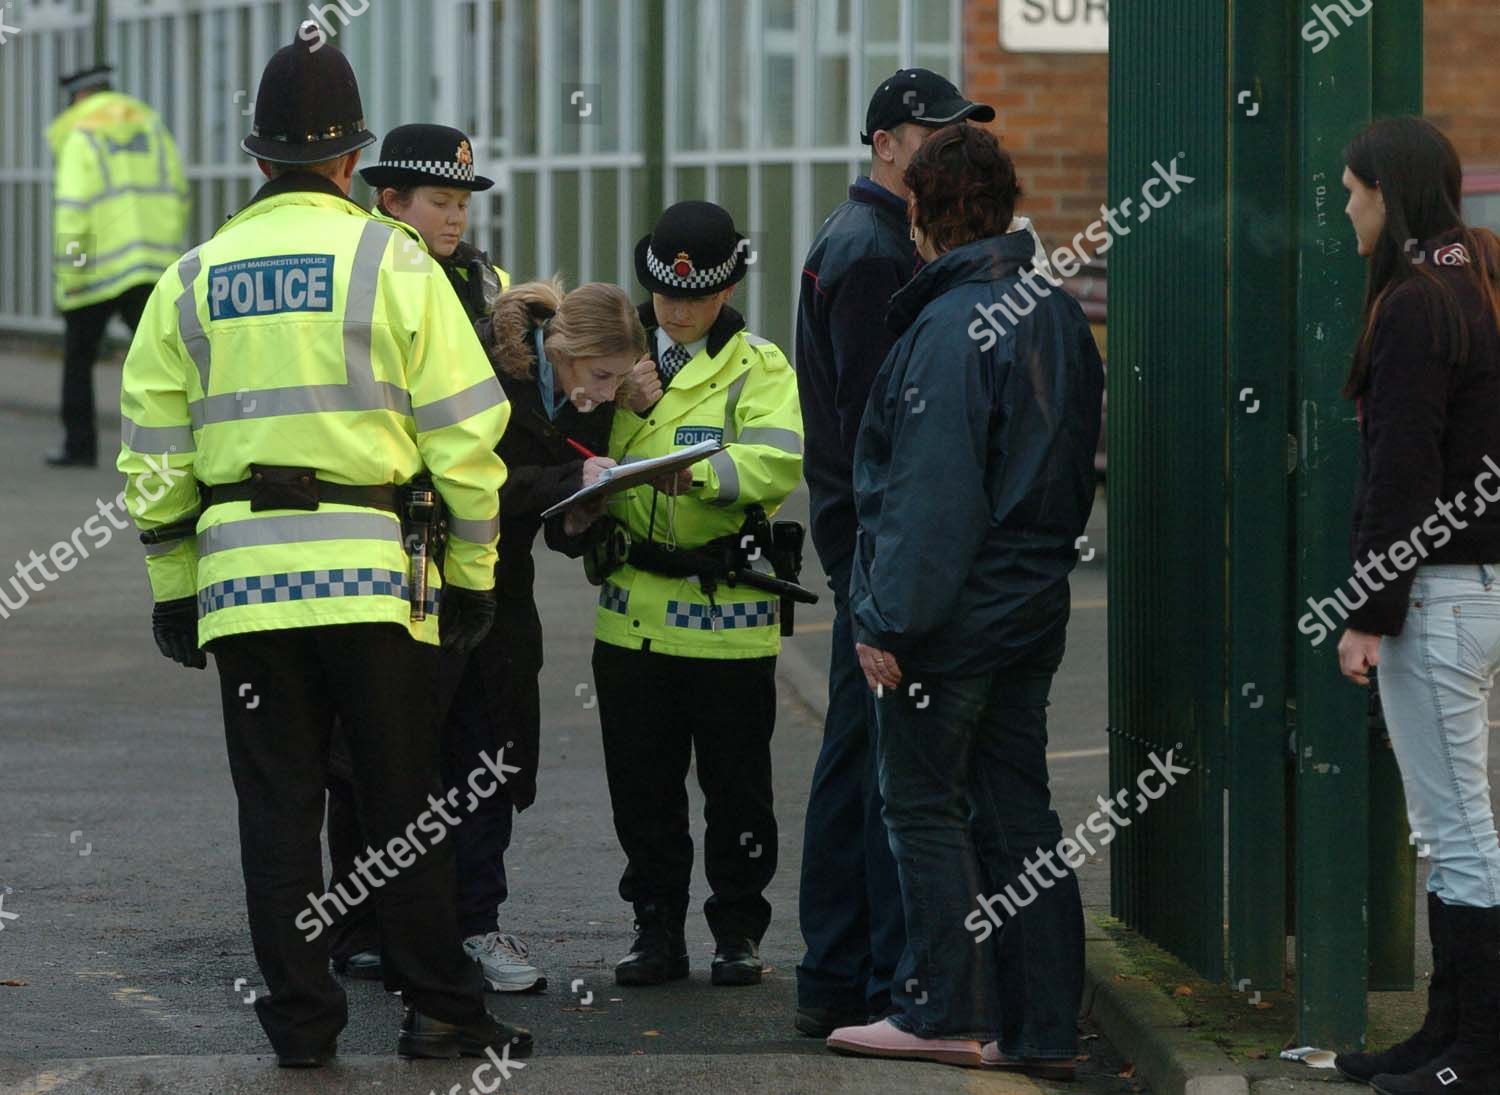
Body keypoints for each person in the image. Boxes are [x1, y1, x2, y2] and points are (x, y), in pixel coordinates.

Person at [116, 25, 531, 1066]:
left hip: (248, 587)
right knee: (404, 799)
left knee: (280, 811)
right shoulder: (395, 263)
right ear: (352, 160)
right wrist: (471, 579)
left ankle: (302, 1025)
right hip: (378, 583)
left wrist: (177, 587)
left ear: (259, 156)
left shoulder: (195, 275)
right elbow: (467, 443)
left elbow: (154, 454)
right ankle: (442, 1010)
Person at [825, 125, 1101, 1074]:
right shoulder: (1055, 314)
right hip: (1030, 604)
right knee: (1019, 809)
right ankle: (1044, 1024)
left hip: (952, 620)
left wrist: (886, 620)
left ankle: (944, 1005)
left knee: (923, 809)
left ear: (920, 215)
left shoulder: (948, 328)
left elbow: (928, 496)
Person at [792, 66, 995, 1039]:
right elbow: (888, 438)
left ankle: (836, 973)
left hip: (858, 542)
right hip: (873, 548)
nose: (950, 152)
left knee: (854, 759)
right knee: (881, 772)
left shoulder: (856, 238)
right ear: (886, 143)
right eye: (935, 134)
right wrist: (887, 577)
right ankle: (871, 980)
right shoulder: (878, 250)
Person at [320, 122, 528, 988]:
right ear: (389, 199)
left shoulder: (492, 286)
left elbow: (519, 421)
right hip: (395, 548)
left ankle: (474, 922)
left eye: (463, 202)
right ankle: (363, 917)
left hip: (478, 550)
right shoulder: (369, 277)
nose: (454, 218)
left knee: (483, 742)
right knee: (370, 747)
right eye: (439, 201)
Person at [583, 200, 804, 988]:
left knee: (738, 792)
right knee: (642, 790)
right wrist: (624, 411)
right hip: (633, 614)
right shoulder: (618, 365)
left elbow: (777, 463)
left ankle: (737, 930)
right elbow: (579, 455)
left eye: (695, 299)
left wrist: (701, 471)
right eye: (665, 298)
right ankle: (654, 929)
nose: (677, 313)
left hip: (728, 620)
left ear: (728, 289)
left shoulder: (759, 365)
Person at [1330, 117, 1500, 1095]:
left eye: (1352, 192)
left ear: (1388, 197)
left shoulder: (1411, 305)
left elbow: (1402, 471)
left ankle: (1475, 1055)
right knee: (1449, 828)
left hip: (1436, 600)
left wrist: (1369, 611)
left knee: (1457, 832)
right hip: (1481, 589)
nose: (1345, 209)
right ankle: (1443, 1036)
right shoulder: (1479, 284)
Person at [47, 64, 188, 467]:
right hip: (151, 263)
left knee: (79, 358)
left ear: (78, 97)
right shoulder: (151, 125)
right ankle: (185, 445)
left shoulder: (81, 132)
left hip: (95, 272)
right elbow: (177, 190)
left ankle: (79, 447)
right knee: (169, 357)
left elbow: (73, 209)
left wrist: (72, 272)